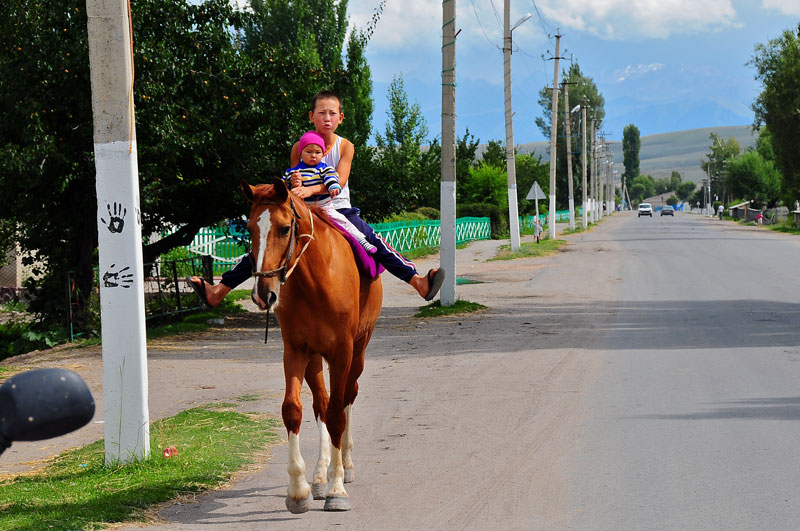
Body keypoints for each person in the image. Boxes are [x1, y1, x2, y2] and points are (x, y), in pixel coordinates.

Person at [189, 90, 445, 307]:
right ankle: (219, 291)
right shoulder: (299, 147)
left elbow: (340, 182)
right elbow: (290, 181)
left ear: (340, 118)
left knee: (371, 239)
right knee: (268, 243)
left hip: (337, 208)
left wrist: (310, 190)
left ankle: (417, 282)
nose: (327, 118)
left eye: (332, 113)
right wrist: (293, 184)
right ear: (312, 116)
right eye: (321, 113)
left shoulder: (345, 146)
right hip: (304, 211)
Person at [284, 130, 376, 254]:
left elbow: (331, 178)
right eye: (309, 152)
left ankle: (361, 240)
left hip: (324, 206)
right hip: (304, 208)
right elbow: (284, 186)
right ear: (301, 154)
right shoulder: (293, 171)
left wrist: (333, 187)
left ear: (322, 154)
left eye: (317, 152)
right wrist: (291, 183)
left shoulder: (324, 168)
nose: (313, 155)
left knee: (342, 221)